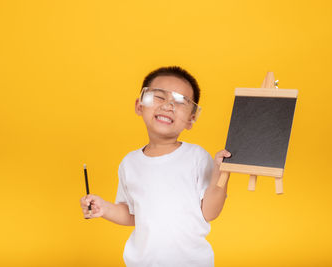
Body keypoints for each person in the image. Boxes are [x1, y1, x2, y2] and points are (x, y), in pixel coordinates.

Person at [80, 66, 231, 267]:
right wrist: (104, 208)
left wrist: (220, 177)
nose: (168, 106)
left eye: (180, 101)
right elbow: (133, 214)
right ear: (139, 105)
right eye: (159, 97)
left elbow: (210, 212)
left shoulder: (196, 156)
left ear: (191, 119)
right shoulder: (129, 163)